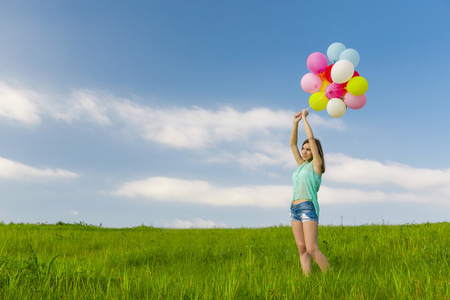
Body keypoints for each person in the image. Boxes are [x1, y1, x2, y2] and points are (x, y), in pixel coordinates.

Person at [290, 108, 329, 275]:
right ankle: (307, 281)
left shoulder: (316, 166)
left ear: (315, 152)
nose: (304, 151)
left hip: (308, 207)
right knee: (301, 248)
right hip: (294, 208)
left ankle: (331, 278)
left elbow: (311, 138)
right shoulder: (301, 165)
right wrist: (295, 123)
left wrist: (305, 118)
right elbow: (292, 144)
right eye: (303, 149)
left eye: (308, 149)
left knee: (312, 248)